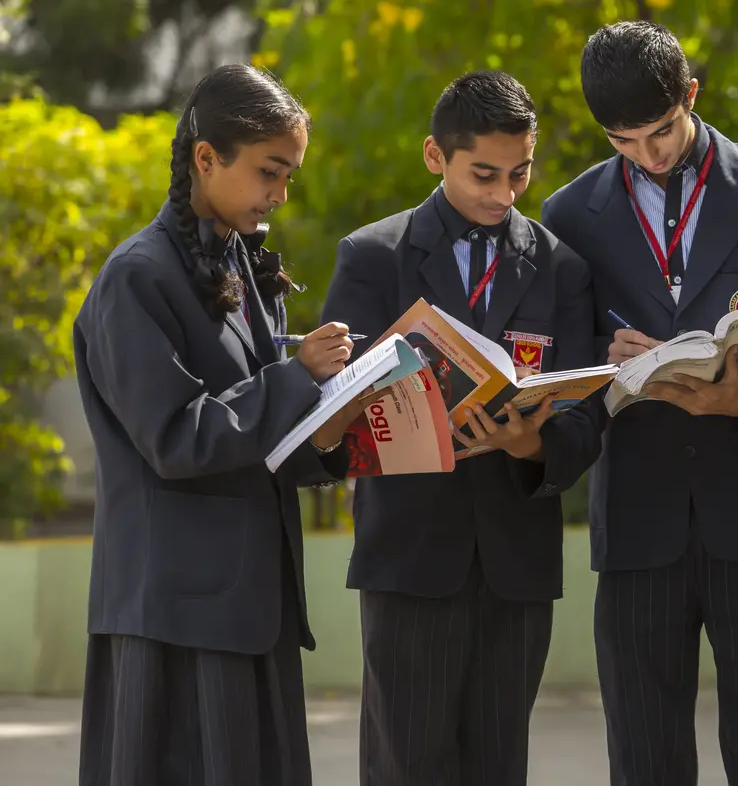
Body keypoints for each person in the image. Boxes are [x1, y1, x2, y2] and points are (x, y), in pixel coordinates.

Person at [541, 20, 738, 786]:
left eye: (660, 131)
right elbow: (564, 374)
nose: (648, 156)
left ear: (691, 93)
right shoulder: (568, 216)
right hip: (640, 523)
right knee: (644, 759)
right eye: (624, 141)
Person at [74, 63, 363, 786]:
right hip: (173, 617)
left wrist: (335, 423)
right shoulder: (136, 277)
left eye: (289, 174)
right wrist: (298, 380)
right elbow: (176, 437)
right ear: (206, 158)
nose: (280, 192)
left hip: (247, 604)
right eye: (270, 170)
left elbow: (260, 435)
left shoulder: (239, 261)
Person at [320, 70, 602, 786]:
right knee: (407, 761)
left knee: (499, 761)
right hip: (411, 556)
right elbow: (332, 411)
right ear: (433, 156)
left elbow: (586, 421)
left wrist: (530, 441)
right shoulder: (373, 257)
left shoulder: (562, 268)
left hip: (516, 564)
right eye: (484, 173)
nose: (504, 193)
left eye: (520, 173)